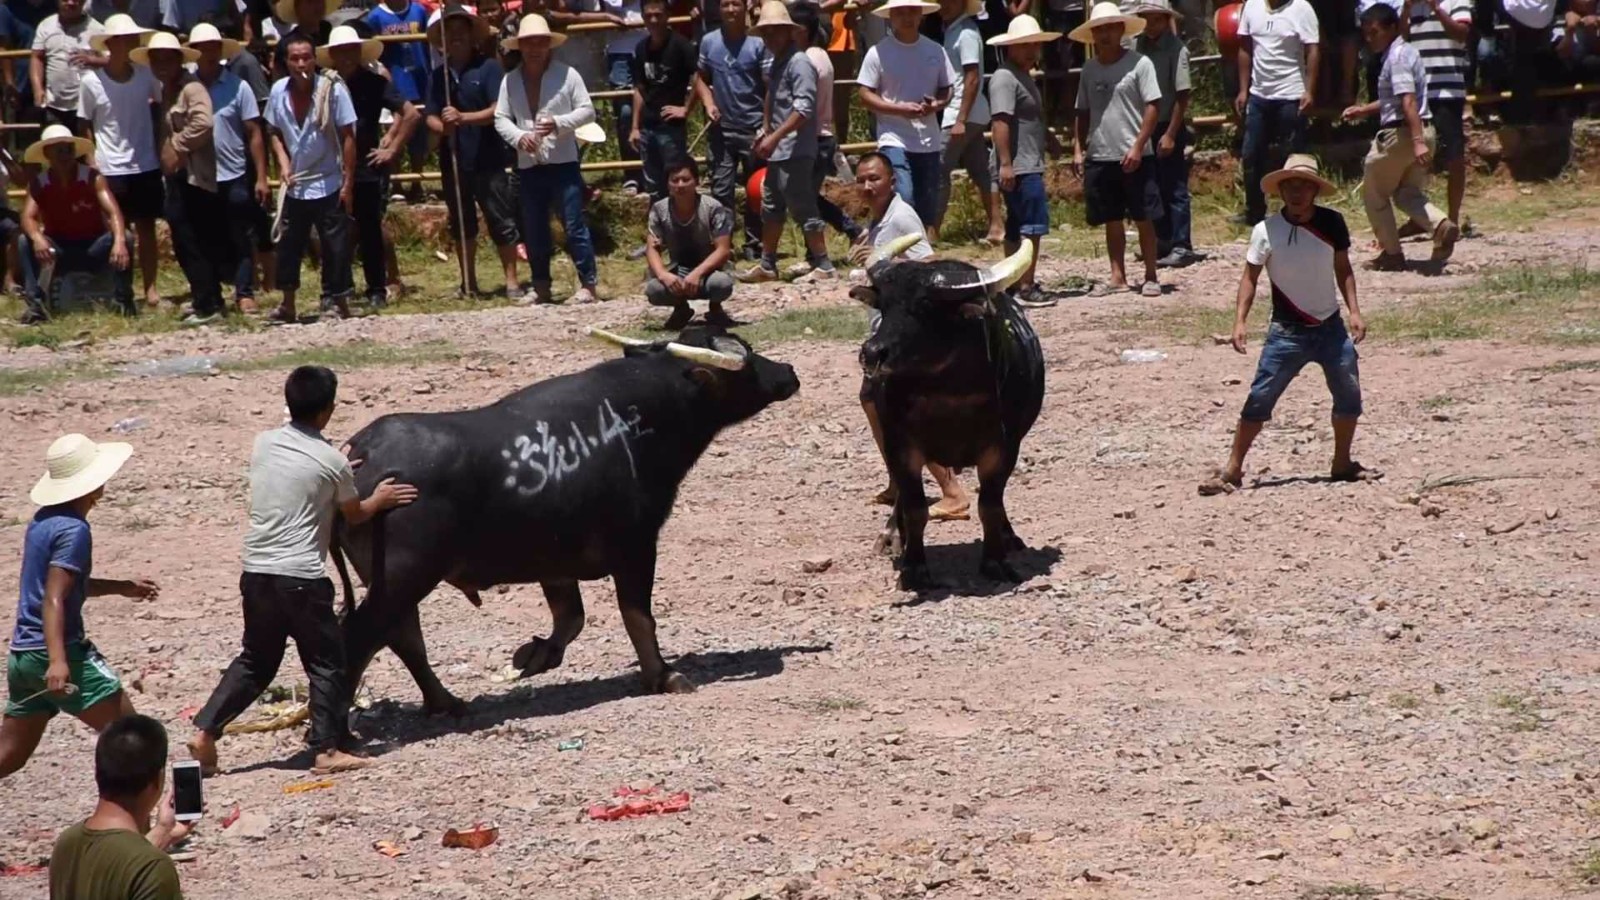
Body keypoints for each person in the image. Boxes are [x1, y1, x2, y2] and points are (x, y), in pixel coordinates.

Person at [189, 366, 418, 777]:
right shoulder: (332, 463)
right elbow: (356, 513)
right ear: (329, 409)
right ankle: (327, 749)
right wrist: (380, 498)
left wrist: (336, 462)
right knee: (328, 661)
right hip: (302, 578)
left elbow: (303, 465)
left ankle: (206, 730)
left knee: (256, 660)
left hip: (256, 571)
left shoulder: (264, 443)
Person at [1201, 155, 1370, 495]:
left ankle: (1342, 463)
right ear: (1280, 191)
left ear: (1314, 191)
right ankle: (1233, 468)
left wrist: (1354, 310)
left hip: (1330, 327)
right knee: (1260, 398)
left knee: (1349, 394)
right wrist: (1240, 321)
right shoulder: (1265, 231)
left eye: (1304, 186)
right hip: (1286, 331)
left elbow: (1344, 269)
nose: (1297, 192)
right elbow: (1250, 277)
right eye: (1290, 186)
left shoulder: (1333, 224)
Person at [0, 434, 159, 781]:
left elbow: (64, 586)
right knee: (133, 740)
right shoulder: (75, 530)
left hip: (23, 656)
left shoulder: (43, 521)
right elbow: (54, 598)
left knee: (8, 756)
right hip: (57, 654)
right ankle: (134, 830)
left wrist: (122, 588)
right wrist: (58, 661)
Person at [850, 151, 973, 521]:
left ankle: (953, 492)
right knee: (873, 401)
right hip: (886, 328)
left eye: (875, 179)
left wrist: (882, 260)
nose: (868, 186)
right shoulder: (879, 219)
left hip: (904, 335)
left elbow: (929, 262)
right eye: (862, 179)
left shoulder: (902, 216)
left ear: (892, 181)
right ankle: (899, 479)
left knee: (899, 410)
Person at [495, 13, 601, 304]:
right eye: (529, 43)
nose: (534, 48)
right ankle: (541, 285)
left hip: (563, 160)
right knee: (534, 226)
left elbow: (587, 111)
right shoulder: (510, 81)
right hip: (528, 163)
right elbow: (501, 118)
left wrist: (559, 123)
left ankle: (588, 284)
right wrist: (519, 137)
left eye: (540, 42)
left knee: (573, 223)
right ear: (521, 46)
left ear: (548, 45)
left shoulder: (568, 75)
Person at [1342, 2, 1458, 270]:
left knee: (1374, 194)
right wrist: (1364, 110)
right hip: (1423, 130)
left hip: (1401, 135)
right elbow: (1396, 99)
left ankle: (1392, 253)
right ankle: (1440, 223)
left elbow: (1407, 101)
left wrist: (1416, 143)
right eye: (1367, 34)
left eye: (1375, 32)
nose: (1370, 39)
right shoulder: (1408, 53)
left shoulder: (1395, 58)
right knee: (1407, 193)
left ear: (1392, 28)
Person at [321, 24, 419, 309]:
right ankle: (338, 288)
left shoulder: (374, 82)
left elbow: (410, 114)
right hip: (331, 164)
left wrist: (392, 149)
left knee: (369, 228)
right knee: (334, 230)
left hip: (365, 164)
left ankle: (376, 287)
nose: (347, 56)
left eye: (351, 50)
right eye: (341, 51)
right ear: (333, 55)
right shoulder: (325, 84)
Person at [429, 3, 523, 297]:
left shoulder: (489, 68)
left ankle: (511, 280)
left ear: (472, 36)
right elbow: (429, 114)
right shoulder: (439, 75)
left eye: (460, 32)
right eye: (450, 33)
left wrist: (463, 118)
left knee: (500, 219)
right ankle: (467, 281)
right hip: (454, 158)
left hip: (487, 157)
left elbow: (498, 109)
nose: (455, 38)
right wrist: (443, 127)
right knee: (461, 222)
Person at [1071, 2, 1164, 297]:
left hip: (1135, 152)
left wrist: (1138, 145)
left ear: (1122, 29)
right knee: (1111, 217)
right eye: (1099, 29)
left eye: (1110, 27)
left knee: (1143, 215)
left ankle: (1151, 274)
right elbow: (1081, 111)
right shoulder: (1089, 68)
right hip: (1101, 151)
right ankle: (1117, 275)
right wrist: (1077, 148)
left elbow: (1153, 106)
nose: (1105, 34)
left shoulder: (1140, 64)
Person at [265, 31, 358, 322]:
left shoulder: (332, 90)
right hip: (297, 183)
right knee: (289, 245)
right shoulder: (279, 90)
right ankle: (288, 303)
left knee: (335, 246)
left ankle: (335, 300)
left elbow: (348, 136)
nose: (302, 63)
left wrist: (348, 181)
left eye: (307, 57)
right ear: (285, 62)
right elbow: (274, 131)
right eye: (295, 58)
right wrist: (283, 162)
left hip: (328, 178)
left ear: (315, 59)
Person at [741, 1, 835, 283]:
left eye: (775, 31)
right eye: (766, 32)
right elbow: (775, 98)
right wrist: (766, 131)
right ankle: (767, 263)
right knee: (772, 206)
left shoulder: (799, 63)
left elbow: (803, 109)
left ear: (789, 32)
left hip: (795, 148)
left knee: (802, 205)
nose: (770, 37)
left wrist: (774, 136)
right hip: (780, 149)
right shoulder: (780, 62)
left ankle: (824, 263)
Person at [49, 715, 192, 900]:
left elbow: (117, 864)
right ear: (158, 779)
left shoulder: (67, 843)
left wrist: (163, 831)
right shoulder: (153, 868)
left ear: (97, 772)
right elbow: (132, 865)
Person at [142, 31, 228, 327]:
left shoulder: (191, 89)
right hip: (180, 177)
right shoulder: (168, 91)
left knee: (194, 239)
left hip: (195, 176)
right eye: (157, 59)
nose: (162, 64)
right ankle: (206, 298)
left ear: (179, 60)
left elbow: (204, 122)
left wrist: (177, 146)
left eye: (168, 58)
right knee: (187, 238)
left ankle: (208, 303)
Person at [78, 14, 164, 310]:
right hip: (109, 164)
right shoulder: (91, 82)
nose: (131, 44)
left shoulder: (145, 74)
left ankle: (151, 289)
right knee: (117, 231)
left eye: (133, 39)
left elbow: (162, 107)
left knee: (146, 229)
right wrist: (92, 160)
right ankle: (120, 291)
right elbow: (85, 123)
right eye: (125, 39)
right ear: (112, 43)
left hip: (145, 161)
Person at [13, 125, 135, 323]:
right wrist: (37, 238)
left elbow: (114, 212)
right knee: (24, 241)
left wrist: (119, 241)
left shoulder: (92, 177)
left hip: (92, 245)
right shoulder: (40, 182)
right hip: (59, 248)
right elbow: (27, 216)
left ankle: (124, 301)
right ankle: (36, 305)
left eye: (69, 149)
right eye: (59, 150)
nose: (65, 155)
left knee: (126, 237)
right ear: (47, 154)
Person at [191, 22, 271, 315]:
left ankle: (244, 292)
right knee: (206, 236)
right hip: (199, 174)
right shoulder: (187, 88)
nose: (209, 53)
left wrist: (261, 176)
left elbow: (254, 133)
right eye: (203, 48)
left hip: (234, 171)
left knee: (242, 235)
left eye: (213, 47)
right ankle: (211, 294)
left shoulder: (240, 87)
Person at [856, 0, 953, 229]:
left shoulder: (935, 50)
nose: (907, 17)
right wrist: (899, 109)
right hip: (893, 136)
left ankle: (917, 251)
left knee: (926, 205)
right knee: (904, 196)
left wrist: (936, 104)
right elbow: (864, 94)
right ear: (890, 16)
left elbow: (947, 87)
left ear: (921, 16)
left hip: (928, 138)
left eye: (912, 11)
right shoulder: (878, 52)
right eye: (900, 12)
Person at [986, 14, 1057, 306]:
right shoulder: (1005, 77)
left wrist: (1049, 138)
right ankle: (1026, 285)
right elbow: (1000, 122)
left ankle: (1014, 283)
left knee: (1017, 226)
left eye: (1035, 45)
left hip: (1026, 160)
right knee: (1032, 226)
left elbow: (1028, 119)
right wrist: (1005, 163)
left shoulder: (1023, 76)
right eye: (1024, 45)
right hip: (1020, 164)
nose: (1031, 51)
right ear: (1011, 47)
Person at [694, 0, 769, 260]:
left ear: (745, 7)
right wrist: (708, 102)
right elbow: (700, 78)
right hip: (721, 130)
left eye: (735, 4)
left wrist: (767, 125)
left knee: (756, 190)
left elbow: (769, 86)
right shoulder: (709, 42)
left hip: (753, 128)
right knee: (721, 190)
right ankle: (723, 247)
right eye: (725, 4)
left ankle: (755, 243)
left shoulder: (758, 43)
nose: (730, 10)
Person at [1234, 0, 1320, 226]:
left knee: (1293, 157)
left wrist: (1309, 90)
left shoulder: (1301, 8)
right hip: (1259, 94)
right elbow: (1245, 48)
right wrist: (1243, 89)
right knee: (1251, 154)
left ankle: (1297, 211)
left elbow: (1312, 49)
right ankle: (1254, 210)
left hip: (1290, 93)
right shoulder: (1251, 6)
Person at [1133, 0, 1197, 268]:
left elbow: (1182, 96)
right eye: (1145, 19)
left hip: (1169, 121)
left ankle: (1182, 244)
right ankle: (1163, 240)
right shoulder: (1139, 46)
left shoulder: (1176, 49)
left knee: (1174, 185)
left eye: (1155, 19)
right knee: (1153, 184)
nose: (1149, 24)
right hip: (1147, 123)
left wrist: (1171, 133)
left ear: (1164, 19)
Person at [933, 0, 1003, 245]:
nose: (944, 5)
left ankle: (933, 231)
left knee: (939, 168)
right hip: (970, 111)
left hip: (962, 112)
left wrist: (960, 119)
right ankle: (997, 225)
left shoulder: (966, 33)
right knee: (980, 170)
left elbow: (972, 78)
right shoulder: (955, 30)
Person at [793, 1, 860, 246]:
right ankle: (850, 231)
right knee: (806, 196)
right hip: (822, 135)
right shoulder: (822, 56)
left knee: (804, 198)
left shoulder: (806, 60)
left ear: (802, 30)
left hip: (813, 137)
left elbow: (803, 105)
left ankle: (824, 247)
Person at [645, 156, 735, 328]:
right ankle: (681, 309)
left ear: (696, 182)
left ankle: (715, 309)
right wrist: (664, 275)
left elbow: (723, 250)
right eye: (675, 180)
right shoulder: (659, 210)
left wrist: (698, 273)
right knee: (654, 290)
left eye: (685, 180)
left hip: (708, 271)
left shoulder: (712, 208)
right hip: (677, 269)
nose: (680, 185)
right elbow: (651, 248)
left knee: (722, 284)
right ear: (668, 184)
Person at [1407, 0, 1471, 228]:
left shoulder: (1457, 2)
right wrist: (1405, 8)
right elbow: (1401, 40)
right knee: (1416, 158)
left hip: (1448, 89)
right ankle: (1420, 217)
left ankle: (1453, 217)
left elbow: (1462, 34)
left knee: (1454, 156)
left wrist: (1437, 9)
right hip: (1418, 92)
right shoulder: (1412, 7)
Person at [364, 0, 432, 203]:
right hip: (394, 80)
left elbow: (428, 46)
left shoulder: (419, 11)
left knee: (418, 136)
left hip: (419, 79)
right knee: (392, 133)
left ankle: (417, 182)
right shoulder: (375, 17)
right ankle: (396, 183)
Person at [629, 0, 695, 204]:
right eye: (648, 16)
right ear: (642, 18)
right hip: (648, 127)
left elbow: (699, 78)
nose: (654, 20)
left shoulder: (681, 45)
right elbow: (640, 89)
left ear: (667, 15)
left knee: (677, 182)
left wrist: (686, 109)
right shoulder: (641, 48)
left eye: (658, 14)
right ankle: (659, 230)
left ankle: (680, 229)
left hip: (671, 128)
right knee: (654, 186)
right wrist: (634, 127)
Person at [30, 0, 105, 133]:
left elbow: (110, 61)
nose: (71, 3)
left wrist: (92, 60)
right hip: (53, 104)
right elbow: (37, 57)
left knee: (85, 149)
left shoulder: (98, 30)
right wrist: (37, 89)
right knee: (55, 148)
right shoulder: (45, 25)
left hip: (86, 107)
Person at [273, 0, 335, 73]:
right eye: (310, 2)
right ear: (297, 8)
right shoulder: (286, 45)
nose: (318, 6)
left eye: (320, 1)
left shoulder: (332, 35)